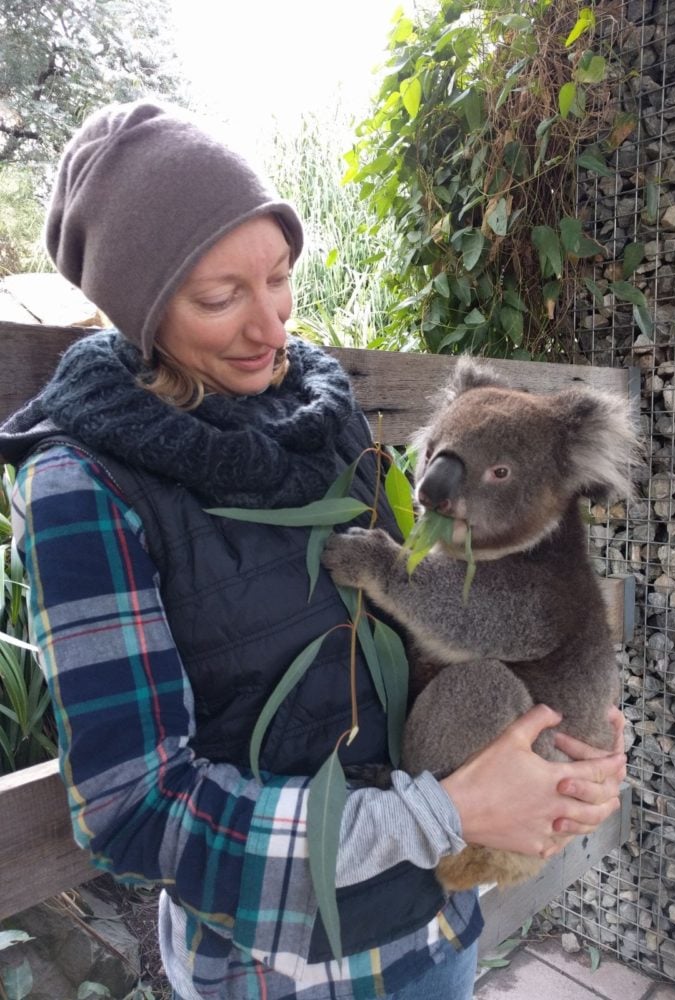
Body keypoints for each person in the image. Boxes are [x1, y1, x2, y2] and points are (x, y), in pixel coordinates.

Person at [0, 101, 627, 1000]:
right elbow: (136, 815)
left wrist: (568, 757)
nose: (274, 329)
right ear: (139, 310)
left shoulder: (322, 415)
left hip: (440, 927)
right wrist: (443, 812)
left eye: (281, 279)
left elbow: (439, 625)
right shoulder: (81, 486)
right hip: (287, 966)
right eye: (222, 298)